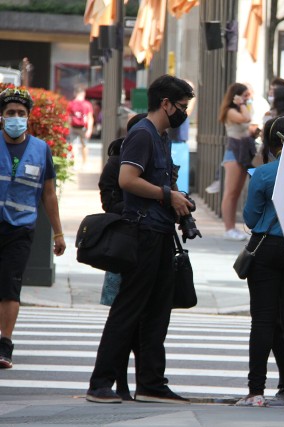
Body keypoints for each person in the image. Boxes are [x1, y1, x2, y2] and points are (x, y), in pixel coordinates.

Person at [86, 75, 194, 404]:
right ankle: (101, 382)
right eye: (182, 107)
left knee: (158, 311)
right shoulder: (142, 134)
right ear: (166, 104)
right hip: (142, 232)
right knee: (128, 308)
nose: (183, 113)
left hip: (160, 232)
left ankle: (150, 383)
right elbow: (127, 179)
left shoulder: (159, 136)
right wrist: (167, 195)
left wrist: (176, 197)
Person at [236, 116, 284, 408]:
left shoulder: (263, 174)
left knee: (263, 319)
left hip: (266, 248)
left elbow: (252, 219)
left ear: (271, 141)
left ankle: (256, 391)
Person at [0, 87, 66, 369]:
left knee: (10, 286)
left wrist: (59, 232)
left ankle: (5, 344)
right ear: (1, 117)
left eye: (21, 114)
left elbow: (48, 193)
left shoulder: (41, 150)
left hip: (21, 229)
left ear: (28, 117)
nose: (16, 118)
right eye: (10, 113)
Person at [96, 113, 147, 400]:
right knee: (123, 319)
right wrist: (137, 206)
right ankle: (119, 381)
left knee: (143, 323)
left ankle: (141, 382)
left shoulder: (155, 163)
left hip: (147, 246)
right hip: (123, 246)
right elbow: (108, 202)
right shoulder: (116, 164)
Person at [218, 83, 255, 241]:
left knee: (237, 193)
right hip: (233, 154)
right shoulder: (231, 111)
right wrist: (241, 103)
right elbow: (246, 118)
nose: (248, 98)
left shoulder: (240, 108)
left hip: (244, 151)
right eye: (245, 95)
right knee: (230, 193)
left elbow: (247, 123)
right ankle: (229, 228)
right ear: (236, 96)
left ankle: (232, 227)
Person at [67, 85, 94, 165]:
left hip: (73, 126)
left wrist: (68, 127)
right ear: (83, 94)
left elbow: (69, 117)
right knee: (85, 145)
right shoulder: (87, 104)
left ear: (75, 93)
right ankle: (84, 163)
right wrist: (89, 129)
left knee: (73, 145)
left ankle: (74, 162)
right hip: (84, 128)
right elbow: (90, 118)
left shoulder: (71, 104)